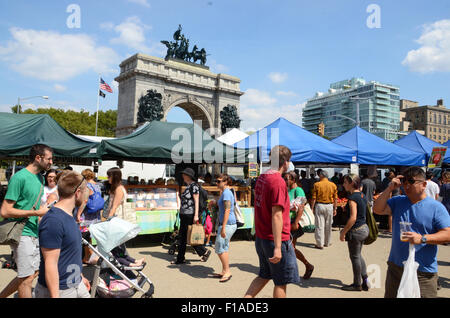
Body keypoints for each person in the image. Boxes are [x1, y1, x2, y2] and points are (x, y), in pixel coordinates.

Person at [373, 167, 450, 298]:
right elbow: (377, 209)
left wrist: (422, 238)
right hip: (396, 268)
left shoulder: (436, 207)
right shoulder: (398, 201)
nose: (407, 185)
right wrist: (389, 188)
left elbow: (447, 234)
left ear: (424, 184)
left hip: (423, 271)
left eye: (411, 181)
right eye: (404, 182)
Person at [244, 145, 299, 298]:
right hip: (274, 238)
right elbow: (276, 215)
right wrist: (277, 247)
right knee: (281, 281)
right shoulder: (278, 182)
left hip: (261, 237)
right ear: (286, 162)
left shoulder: (262, 177)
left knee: (264, 275)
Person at [0, 144, 52, 298]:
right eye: (49, 159)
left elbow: (35, 206)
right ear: (38, 157)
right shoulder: (19, 177)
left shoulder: (40, 178)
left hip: (34, 231)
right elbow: (5, 211)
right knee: (26, 278)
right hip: (22, 232)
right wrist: (37, 212)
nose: (51, 162)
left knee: (33, 273)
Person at [34, 171, 91, 298]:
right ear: (78, 193)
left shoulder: (69, 215)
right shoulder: (53, 221)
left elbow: (70, 253)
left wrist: (79, 277)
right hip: (60, 290)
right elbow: (50, 263)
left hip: (76, 284)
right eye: (85, 191)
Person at [171, 168, 211, 265]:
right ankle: (181, 258)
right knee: (184, 237)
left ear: (188, 176)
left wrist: (196, 215)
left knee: (188, 236)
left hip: (190, 214)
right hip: (185, 214)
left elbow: (196, 201)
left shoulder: (194, 186)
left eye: (184, 174)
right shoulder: (188, 186)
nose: (183, 176)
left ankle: (202, 251)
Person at [339, 174, 370, 292]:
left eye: (345, 182)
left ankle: (357, 284)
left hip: (356, 231)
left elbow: (353, 218)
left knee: (355, 257)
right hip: (364, 228)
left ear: (351, 183)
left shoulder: (352, 198)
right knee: (358, 255)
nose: (343, 184)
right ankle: (365, 279)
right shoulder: (362, 195)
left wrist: (343, 232)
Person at [283, 171, 314, 280]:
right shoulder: (288, 190)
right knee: (290, 247)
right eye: (285, 178)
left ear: (294, 180)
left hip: (293, 222)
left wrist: (296, 222)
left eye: (288, 179)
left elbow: (301, 207)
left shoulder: (298, 190)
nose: (286, 181)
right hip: (287, 221)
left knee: (290, 247)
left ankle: (300, 267)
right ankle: (307, 266)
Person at [211, 174, 237, 283]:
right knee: (224, 247)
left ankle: (227, 271)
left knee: (219, 248)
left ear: (226, 182)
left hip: (228, 224)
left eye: (219, 181)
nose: (217, 183)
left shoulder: (226, 193)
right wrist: (215, 203)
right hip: (228, 224)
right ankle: (225, 270)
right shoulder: (226, 192)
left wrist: (223, 228)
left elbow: (227, 210)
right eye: (216, 181)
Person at [311, 170, 338, 249]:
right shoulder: (333, 185)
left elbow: (314, 198)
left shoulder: (316, 184)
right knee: (328, 225)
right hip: (329, 206)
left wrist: (312, 208)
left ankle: (320, 244)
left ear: (321, 175)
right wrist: (335, 208)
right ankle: (327, 242)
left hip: (320, 205)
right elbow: (335, 198)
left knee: (319, 225)